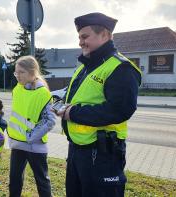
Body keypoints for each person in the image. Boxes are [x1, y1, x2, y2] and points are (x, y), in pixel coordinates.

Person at [54, 12, 142, 197]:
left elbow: (121, 110)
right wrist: (63, 106)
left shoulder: (121, 67)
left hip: (102, 153)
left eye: (85, 36)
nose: (80, 42)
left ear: (104, 34)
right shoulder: (84, 67)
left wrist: (73, 113)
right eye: (79, 37)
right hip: (78, 150)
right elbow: (79, 99)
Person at [7, 55, 56, 197]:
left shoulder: (43, 93)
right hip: (17, 143)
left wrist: (30, 137)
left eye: (21, 72)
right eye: (16, 72)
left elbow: (50, 120)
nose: (17, 76)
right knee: (14, 181)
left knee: (42, 182)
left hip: (35, 145)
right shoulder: (17, 89)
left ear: (32, 72)